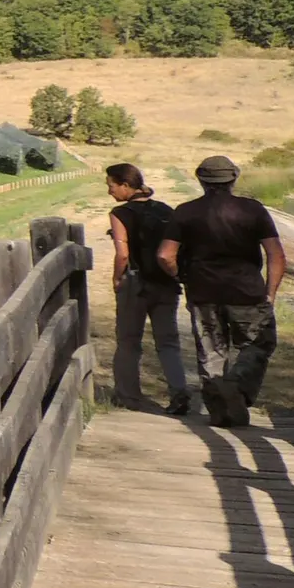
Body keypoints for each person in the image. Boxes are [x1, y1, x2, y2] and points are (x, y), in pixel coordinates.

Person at [157, 155, 287, 429]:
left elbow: (165, 255)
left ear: (201, 180)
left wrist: (182, 277)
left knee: (211, 351)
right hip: (246, 291)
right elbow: (276, 254)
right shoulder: (252, 210)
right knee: (258, 344)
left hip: (203, 291)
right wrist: (270, 293)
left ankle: (220, 409)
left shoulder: (185, 211)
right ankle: (235, 388)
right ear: (234, 179)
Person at [105, 164, 190, 414]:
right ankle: (179, 391)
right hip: (165, 283)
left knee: (129, 341)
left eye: (111, 185)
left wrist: (116, 279)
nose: (109, 191)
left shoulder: (121, 213)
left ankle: (128, 395)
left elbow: (123, 254)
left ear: (125, 185)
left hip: (136, 282)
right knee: (168, 342)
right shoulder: (166, 210)